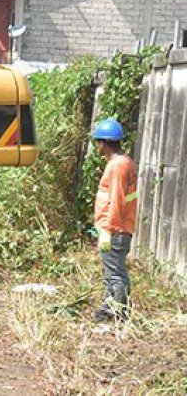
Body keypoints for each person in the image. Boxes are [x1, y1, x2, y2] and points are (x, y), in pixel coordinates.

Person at [90, 117, 138, 322]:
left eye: (98, 142)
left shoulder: (117, 166)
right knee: (112, 271)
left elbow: (116, 200)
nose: (98, 147)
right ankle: (110, 307)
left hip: (115, 230)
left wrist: (108, 230)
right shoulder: (122, 163)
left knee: (116, 273)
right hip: (117, 228)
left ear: (103, 143)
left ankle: (118, 312)